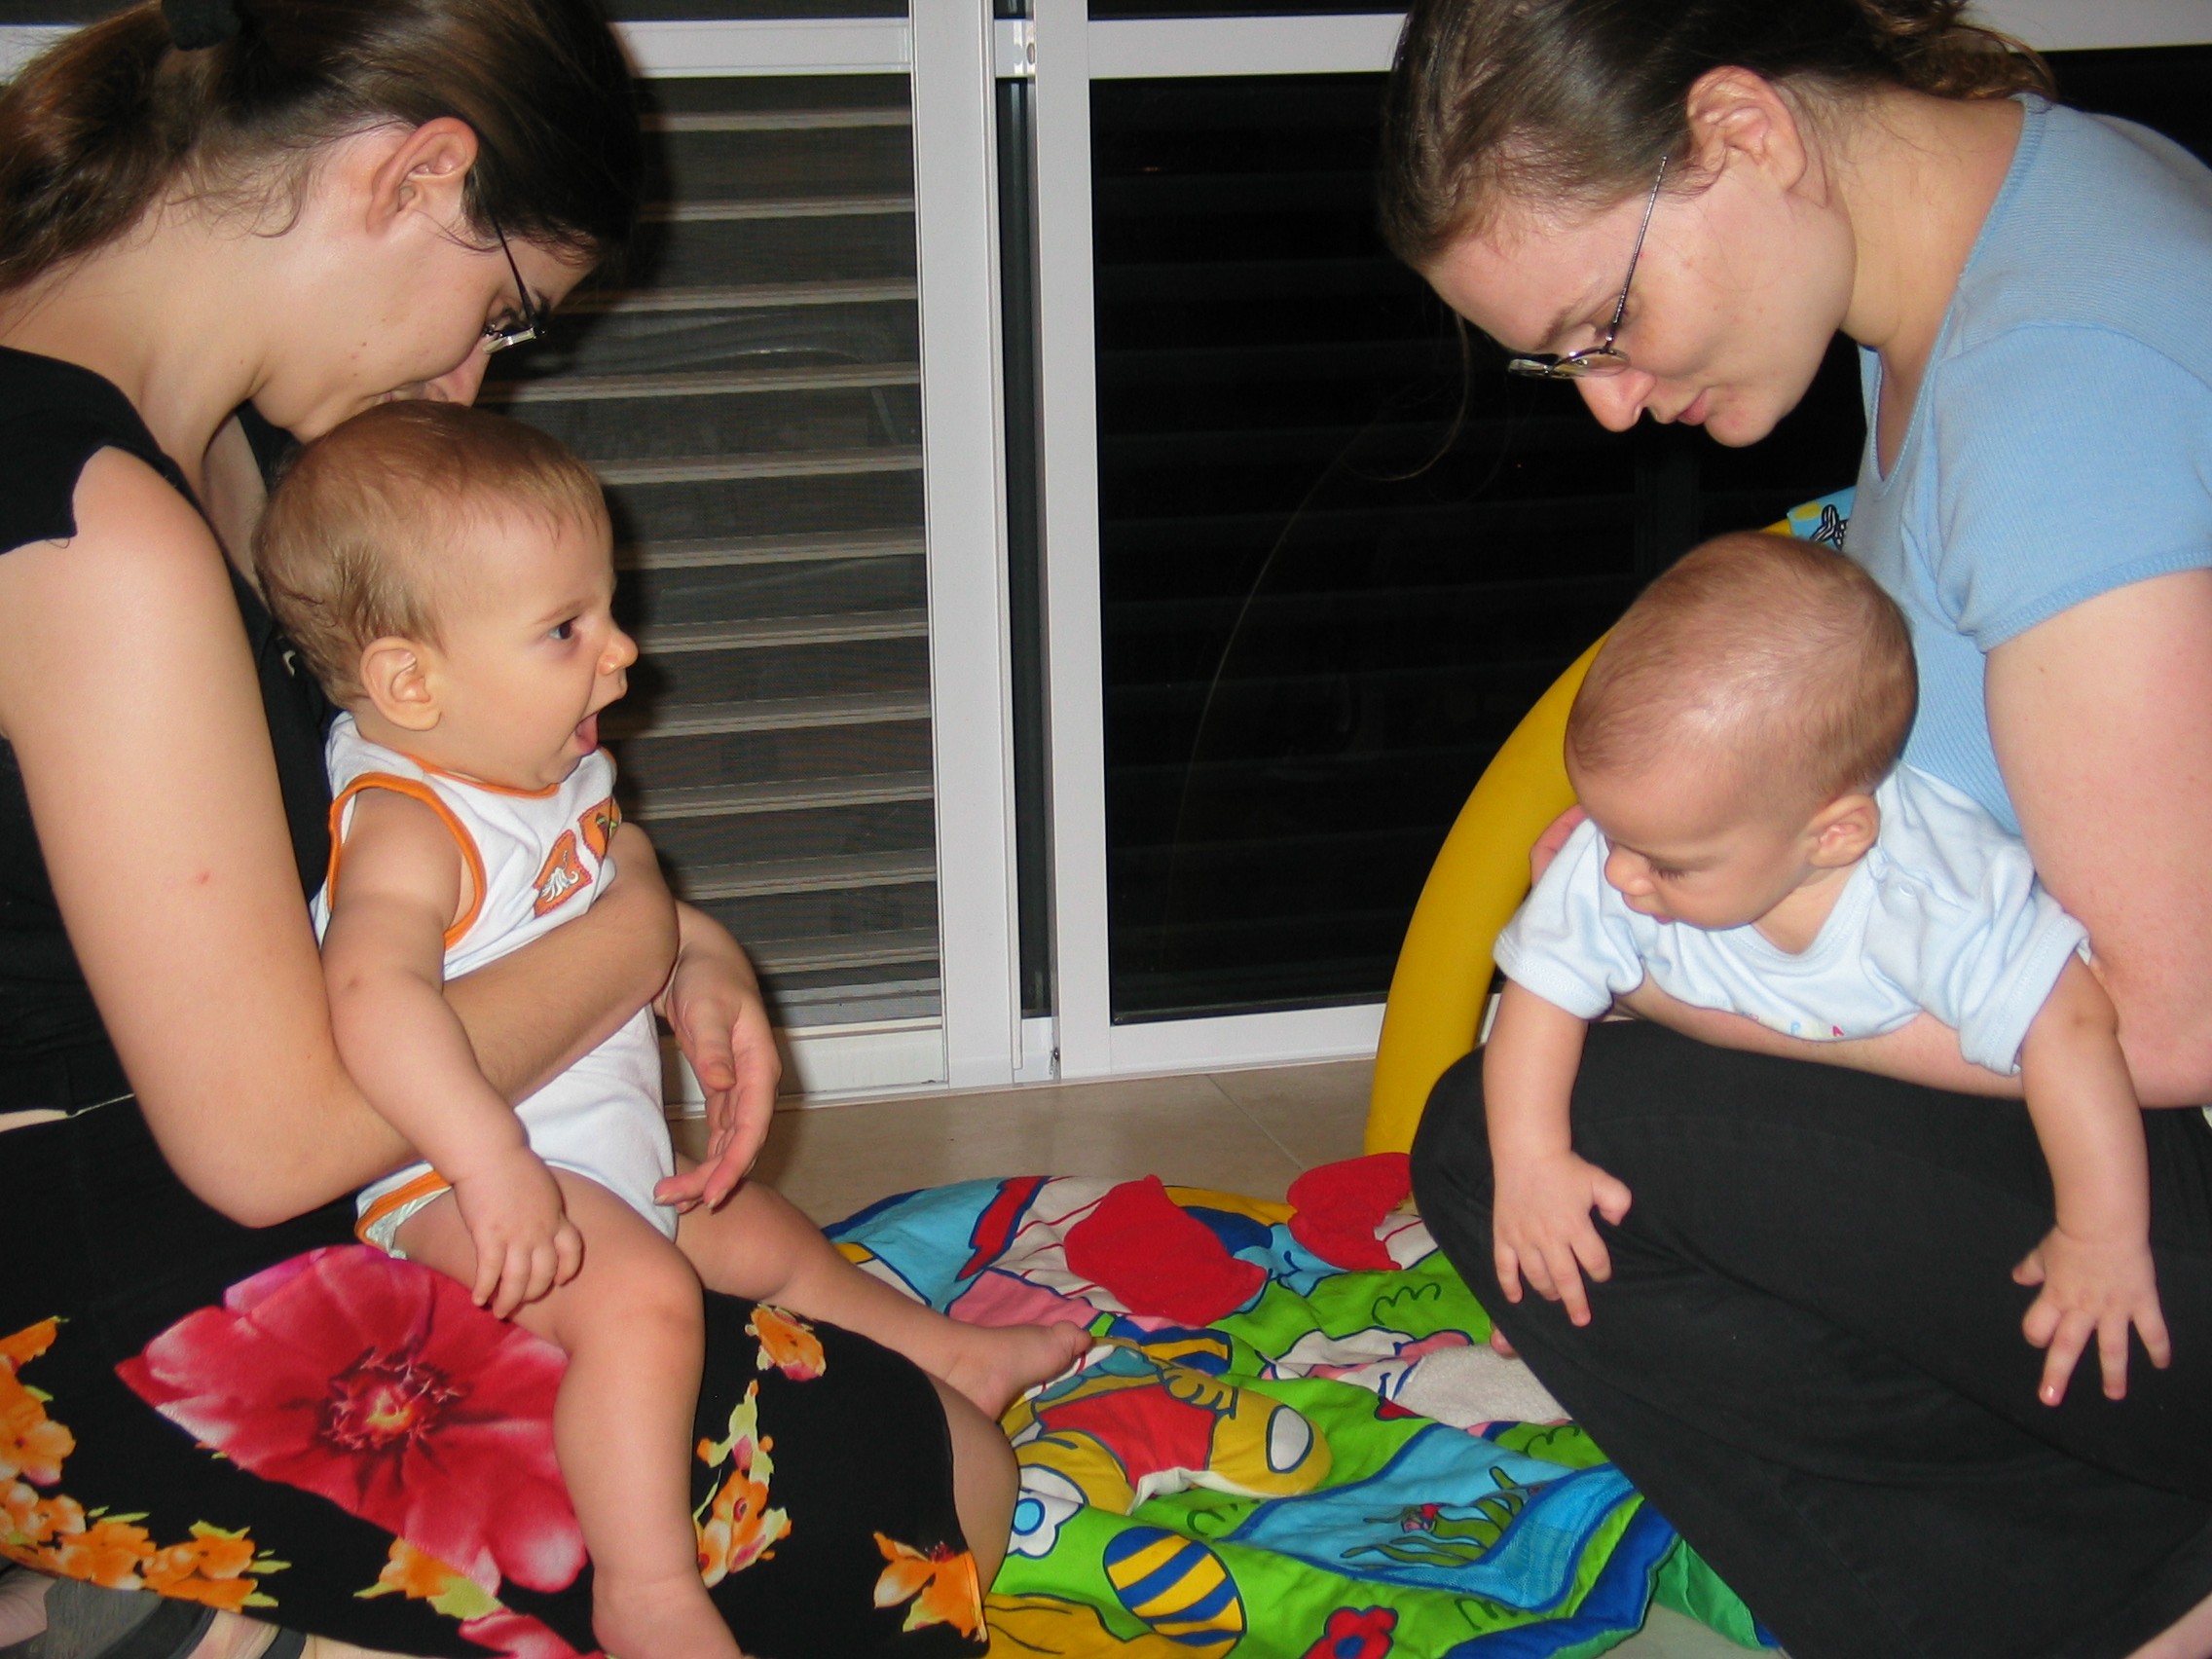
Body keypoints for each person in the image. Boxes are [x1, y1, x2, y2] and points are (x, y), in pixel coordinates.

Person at [0, 3, 1025, 1656]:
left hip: (264, 1178)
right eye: (501, 310)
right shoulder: (89, 526)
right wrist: (629, 932)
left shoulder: (233, 460)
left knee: (889, 1422)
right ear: (418, 177)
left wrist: (674, 939)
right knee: (904, 1486)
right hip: (92, 1277)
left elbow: (398, 827)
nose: (470, 379)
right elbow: (264, 1138)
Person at [1379, 1, 2212, 1654]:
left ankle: (2129, 1602)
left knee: (1516, 1134)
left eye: (1604, 325)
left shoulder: (2053, 390)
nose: (1610, 403)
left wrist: (1684, 980)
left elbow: (2172, 1020)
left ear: (1743, 136)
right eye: (1566, 362)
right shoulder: (2024, 228)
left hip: (2154, 1156)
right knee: (1573, 1093)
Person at [252, 401, 1088, 1659]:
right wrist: (487, 1161)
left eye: (606, 610)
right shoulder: (406, 823)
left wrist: (697, 957)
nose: (622, 651)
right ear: (410, 682)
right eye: (567, 629)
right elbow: (371, 1004)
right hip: (460, 1185)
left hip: (594, 1158)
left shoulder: (535, 765)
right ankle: (644, 1588)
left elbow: (612, 898)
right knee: (642, 1304)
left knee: (766, 1234)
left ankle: (946, 1357)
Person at [1484, 532, 2167, 1408]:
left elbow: (2072, 1023)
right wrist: (1532, 1167)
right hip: (1725, 1082)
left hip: (1905, 1117)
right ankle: (1573, 1288)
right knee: (1511, 1130)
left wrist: (2100, 1234)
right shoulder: (1640, 843)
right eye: (1609, 833)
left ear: (1834, 835)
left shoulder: (1930, 889)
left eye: (1665, 863)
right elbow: (1540, 995)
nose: (1617, 873)